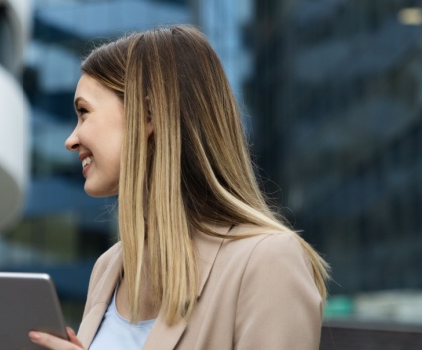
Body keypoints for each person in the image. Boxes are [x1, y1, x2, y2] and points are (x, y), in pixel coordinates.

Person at [28, 25, 330, 350]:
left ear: (148, 114)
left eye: (84, 113)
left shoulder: (267, 262)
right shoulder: (109, 268)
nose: (70, 140)